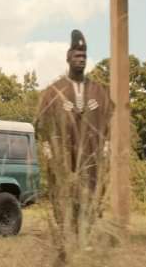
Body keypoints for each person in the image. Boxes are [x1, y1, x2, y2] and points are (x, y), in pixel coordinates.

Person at [37, 29, 114, 231]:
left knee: (89, 191)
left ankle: (87, 231)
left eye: (84, 56)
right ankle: (65, 233)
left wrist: (107, 145)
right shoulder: (54, 92)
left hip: (90, 156)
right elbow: (43, 123)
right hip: (64, 157)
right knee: (64, 192)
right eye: (77, 56)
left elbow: (110, 120)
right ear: (68, 58)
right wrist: (48, 149)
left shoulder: (99, 91)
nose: (81, 60)